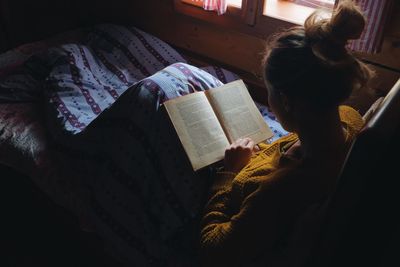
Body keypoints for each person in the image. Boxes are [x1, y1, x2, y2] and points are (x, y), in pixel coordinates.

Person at [199, 1, 373, 266]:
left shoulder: (279, 189)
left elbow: (213, 250)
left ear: (287, 101)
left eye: (268, 92)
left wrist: (229, 173)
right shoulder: (350, 118)